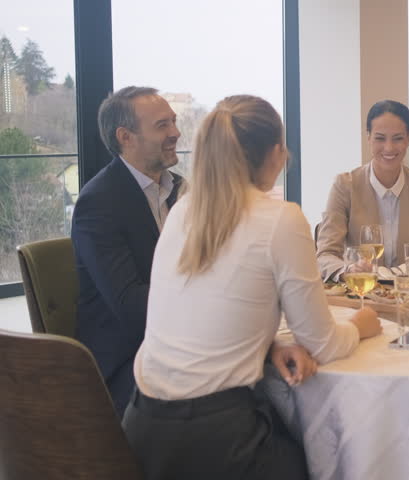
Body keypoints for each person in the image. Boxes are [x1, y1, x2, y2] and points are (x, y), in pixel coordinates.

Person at [122, 95, 381, 479]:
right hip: (219, 442)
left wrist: (270, 346)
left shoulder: (182, 212)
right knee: (336, 459)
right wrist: (362, 324)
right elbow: (323, 345)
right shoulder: (281, 218)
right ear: (277, 153)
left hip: (142, 430)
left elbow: (204, 314)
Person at [72, 86, 183, 415]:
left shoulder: (180, 190)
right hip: (126, 361)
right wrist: (206, 296)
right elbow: (131, 306)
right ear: (126, 137)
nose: (175, 133)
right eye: (162, 125)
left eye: (174, 122)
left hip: (176, 342)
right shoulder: (99, 203)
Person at [315, 100, 409, 280]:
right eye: (380, 138)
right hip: (363, 293)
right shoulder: (345, 185)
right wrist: (349, 269)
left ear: (408, 139)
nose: (389, 147)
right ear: (368, 137)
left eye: (398, 138)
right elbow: (324, 255)